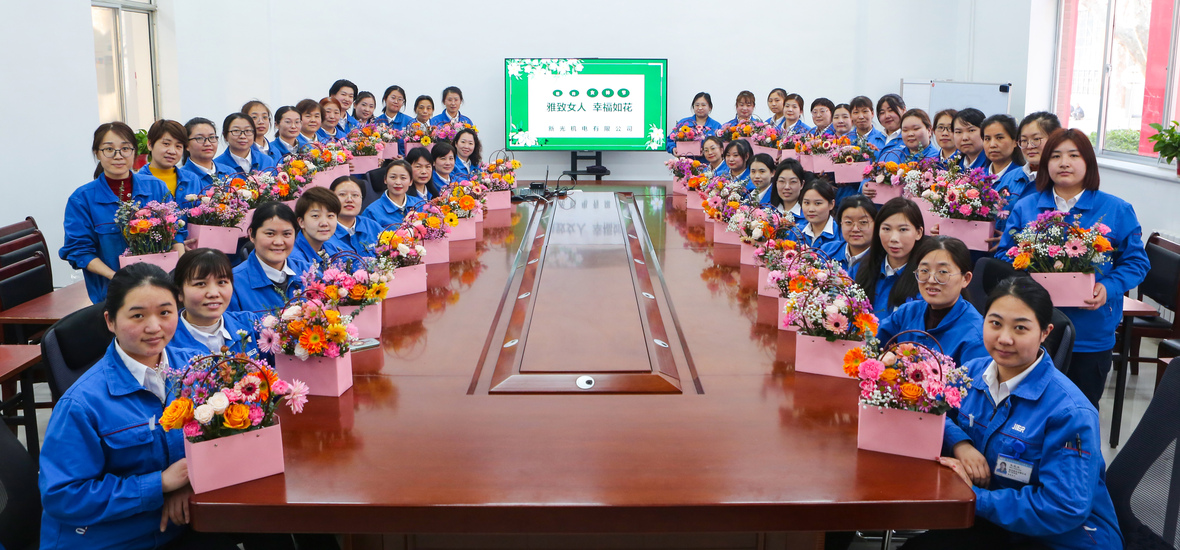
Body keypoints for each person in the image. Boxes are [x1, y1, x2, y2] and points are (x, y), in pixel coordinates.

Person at [900, 277, 1122, 550]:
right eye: (995, 323)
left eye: (1020, 328)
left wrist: (971, 497)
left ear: (1045, 332)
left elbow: (1062, 508)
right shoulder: (972, 372)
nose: (1004, 339)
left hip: (1062, 539)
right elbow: (931, 410)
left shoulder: (1070, 412)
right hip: (1000, 521)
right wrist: (960, 443)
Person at [38, 263, 242, 549]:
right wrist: (160, 484)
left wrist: (188, 482)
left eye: (165, 312)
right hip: (110, 540)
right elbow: (63, 496)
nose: (154, 327)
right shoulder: (81, 404)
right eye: (137, 315)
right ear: (110, 321)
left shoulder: (196, 366)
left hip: (180, 523)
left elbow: (227, 435)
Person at [996, 129, 1149, 406]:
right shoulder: (1027, 207)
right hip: (1031, 330)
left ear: (1089, 162)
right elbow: (1004, 255)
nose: (1064, 163)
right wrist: (1026, 274)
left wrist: (1108, 287)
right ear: (1046, 164)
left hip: (1089, 332)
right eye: (1055, 156)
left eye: (1074, 156)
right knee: (1027, 409)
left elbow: (1137, 262)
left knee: (1080, 410)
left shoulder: (1116, 209)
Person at [61, 122, 184, 303]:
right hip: (113, 295)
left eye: (125, 149)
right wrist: (116, 278)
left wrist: (180, 272)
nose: (118, 156)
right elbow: (79, 251)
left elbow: (176, 233)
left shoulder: (156, 187)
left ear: (134, 152)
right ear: (97, 153)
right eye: (109, 149)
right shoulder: (82, 199)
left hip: (162, 289)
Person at [875, 236, 988, 367]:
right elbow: (873, 346)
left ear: (966, 279)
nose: (931, 280)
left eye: (943, 272)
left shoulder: (976, 335)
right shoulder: (907, 313)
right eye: (924, 271)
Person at [170, 248, 261, 355]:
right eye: (200, 284)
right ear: (180, 292)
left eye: (222, 282)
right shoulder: (166, 341)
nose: (213, 293)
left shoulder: (249, 323)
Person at [850, 197, 926, 319]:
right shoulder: (859, 268)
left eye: (903, 229)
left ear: (919, 233)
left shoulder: (925, 278)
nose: (893, 238)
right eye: (886, 229)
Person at [227, 202, 310, 313]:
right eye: (270, 234)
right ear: (252, 235)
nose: (279, 242)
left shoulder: (310, 273)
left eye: (287, 234)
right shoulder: (233, 283)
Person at [138, 119, 203, 210]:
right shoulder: (138, 182)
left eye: (178, 146)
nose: (172, 151)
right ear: (149, 144)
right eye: (166, 144)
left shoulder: (192, 180)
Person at [288, 187, 348, 268]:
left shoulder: (332, 248)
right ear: (301, 222)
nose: (324, 223)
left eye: (330, 216)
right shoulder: (293, 259)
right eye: (315, 216)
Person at [981, 114, 1033, 203]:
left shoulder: (1025, 179)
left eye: (999, 138)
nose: (992, 144)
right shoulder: (976, 179)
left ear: (1015, 141)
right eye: (987, 139)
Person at [361, 159, 426, 230]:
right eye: (393, 177)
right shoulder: (371, 212)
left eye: (403, 178)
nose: (398, 182)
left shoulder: (421, 205)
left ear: (410, 181)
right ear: (385, 180)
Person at [821, 195, 877, 271]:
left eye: (863, 222)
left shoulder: (882, 261)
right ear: (840, 223)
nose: (855, 229)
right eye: (848, 222)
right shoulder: (827, 250)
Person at [332, 175, 383, 256]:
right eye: (342, 194)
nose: (349, 200)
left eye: (355, 195)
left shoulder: (372, 226)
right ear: (331, 198)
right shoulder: (325, 231)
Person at [798, 177, 842, 249]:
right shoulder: (795, 233)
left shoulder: (841, 234)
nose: (811, 209)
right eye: (807, 203)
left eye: (818, 203)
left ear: (831, 204)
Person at [1017, 112, 1062, 182]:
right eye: (1024, 140)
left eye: (1036, 139)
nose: (1029, 146)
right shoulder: (1009, 178)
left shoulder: (1064, 179)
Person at [761, 159, 806, 227]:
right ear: (776, 183)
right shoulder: (766, 213)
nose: (787, 187)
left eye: (793, 181)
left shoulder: (808, 216)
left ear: (802, 184)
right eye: (782, 181)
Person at [180, 117, 222, 190]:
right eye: (199, 138)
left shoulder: (229, 172)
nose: (208, 143)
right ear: (186, 145)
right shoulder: (182, 178)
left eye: (212, 137)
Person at [875, 94, 907, 160]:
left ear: (904, 109)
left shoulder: (909, 139)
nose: (887, 116)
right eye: (882, 112)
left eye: (891, 110)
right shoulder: (872, 140)